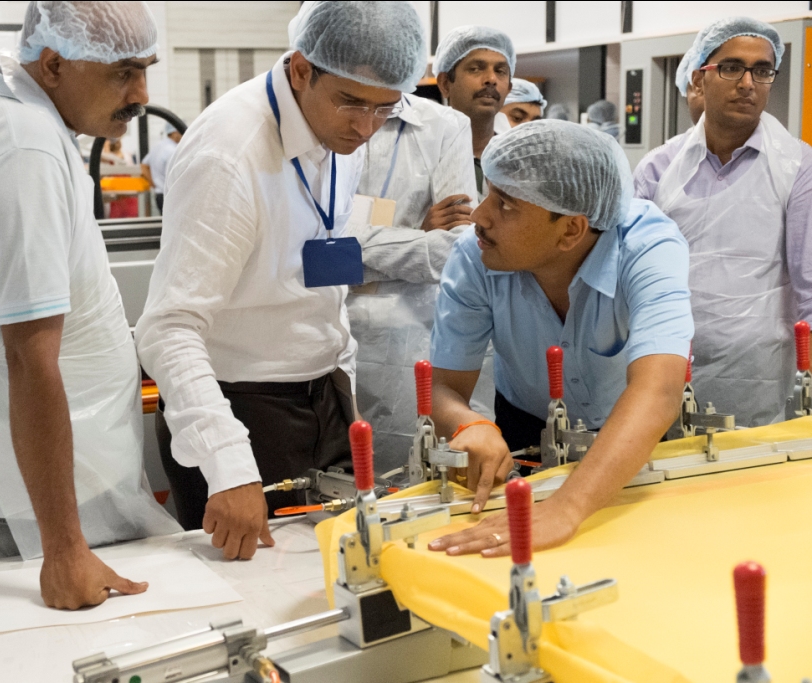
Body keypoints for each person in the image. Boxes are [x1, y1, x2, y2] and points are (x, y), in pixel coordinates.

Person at [0, 1, 182, 610]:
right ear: (54, 64)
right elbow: (30, 359)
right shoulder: (23, 147)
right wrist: (64, 550)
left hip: (25, 463)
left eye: (146, 70)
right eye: (123, 72)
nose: (141, 95)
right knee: (83, 643)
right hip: (60, 485)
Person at [136, 1, 427, 560]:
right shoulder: (231, 153)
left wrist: (341, 388)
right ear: (300, 70)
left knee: (339, 572)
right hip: (244, 409)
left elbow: (315, 273)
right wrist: (229, 464)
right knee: (254, 588)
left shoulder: (339, 135)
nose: (366, 127)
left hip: (325, 397)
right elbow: (168, 327)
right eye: (352, 102)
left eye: (385, 109)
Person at [426, 120, 693, 557]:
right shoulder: (477, 256)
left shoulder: (648, 247)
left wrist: (566, 508)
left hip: (634, 432)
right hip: (525, 425)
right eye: (488, 193)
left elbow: (659, 390)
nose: (479, 216)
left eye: (505, 204)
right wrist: (468, 423)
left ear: (571, 230)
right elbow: (444, 388)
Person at [634, 17, 811, 427]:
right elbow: (629, 276)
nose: (748, 83)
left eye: (762, 71)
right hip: (665, 367)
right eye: (732, 68)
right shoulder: (658, 169)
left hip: (758, 377)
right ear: (700, 78)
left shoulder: (798, 167)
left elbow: (811, 288)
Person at [345, 93, 476, 470]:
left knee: (404, 472)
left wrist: (347, 247)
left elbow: (453, 250)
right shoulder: (316, 118)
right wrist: (416, 235)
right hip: (319, 334)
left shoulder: (444, 126)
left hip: (406, 341)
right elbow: (303, 250)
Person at [434, 26, 516, 201]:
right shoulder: (421, 154)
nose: (491, 79)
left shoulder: (518, 160)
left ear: (509, 89)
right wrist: (421, 220)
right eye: (476, 68)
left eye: (500, 71)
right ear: (445, 83)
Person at [141, 122, 182, 213]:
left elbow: (143, 166)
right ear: (174, 132)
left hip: (159, 195)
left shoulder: (158, 146)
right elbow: (174, 176)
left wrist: (154, 184)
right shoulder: (173, 150)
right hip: (170, 196)